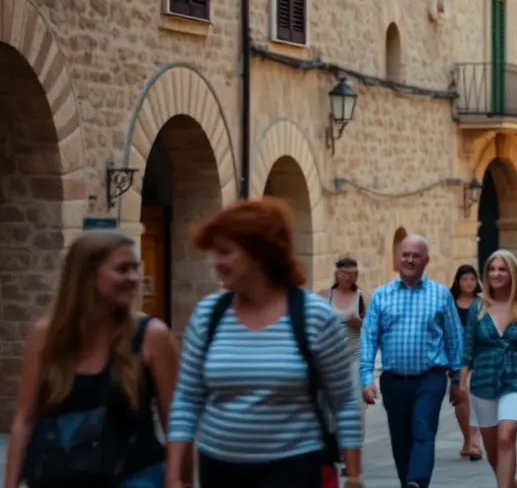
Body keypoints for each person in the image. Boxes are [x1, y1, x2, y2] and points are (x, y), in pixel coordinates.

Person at [166, 199, 362, 488]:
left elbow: (343, 402)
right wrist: (173, 477)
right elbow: (186, 398)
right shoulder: (208, 314)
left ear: (259, 252)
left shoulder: (314, 315)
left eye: (225, 252)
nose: (215, 262)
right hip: (219, 470)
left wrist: (354, 476)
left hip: (296, 470)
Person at [4, 232, 181, 488]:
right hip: (59, 474)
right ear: (87, 276)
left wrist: (176, 479)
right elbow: (25, 418)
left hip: (132, 475)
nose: (134, 279)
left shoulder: (152, 336)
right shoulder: (45, 336)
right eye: (122, 269)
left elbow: (175, 422)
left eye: (135, 268)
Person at [360, 234, 464, 488]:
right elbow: (369, 338)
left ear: (426, 261)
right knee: (400, 438)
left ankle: (416, 482)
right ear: (397, 258)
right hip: (393, 380)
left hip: (430, 377)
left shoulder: (440, 295)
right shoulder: (381, 296)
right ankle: (408, 482)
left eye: (416, 255)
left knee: (423, 431)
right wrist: (366, 378)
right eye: (405, 254)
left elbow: (454, 339)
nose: (409, 259)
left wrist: (457, 379)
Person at [461, 250, 517, 488]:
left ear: (512, 273)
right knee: (492, 448)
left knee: (505, 436)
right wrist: (460, 382)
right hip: (483, 383)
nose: (496, 273)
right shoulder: (477, 308)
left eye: (502, 269)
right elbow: (467, 348)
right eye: (492, 269)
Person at [319, 257, 372, 451]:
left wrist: (360, 323)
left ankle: (353, 447)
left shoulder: (362, 297)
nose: (348, 278)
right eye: (344, 274)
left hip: (354, 355)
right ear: (337, 273)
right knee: (330, 403)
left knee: (356, 403)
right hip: (330, 358)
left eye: (352, 274)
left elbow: (373, 329)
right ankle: (336, 444)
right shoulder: (325, 296)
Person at [449, 264, 483, 461]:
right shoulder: (450, 303)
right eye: (464, 279)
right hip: (456, 357)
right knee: (461, 396)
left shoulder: (483, 303)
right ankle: (468, 438)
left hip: (480, 355)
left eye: (472, 279)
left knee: (478, 396)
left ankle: (474, 442)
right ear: (458, 282)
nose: (469, 283)